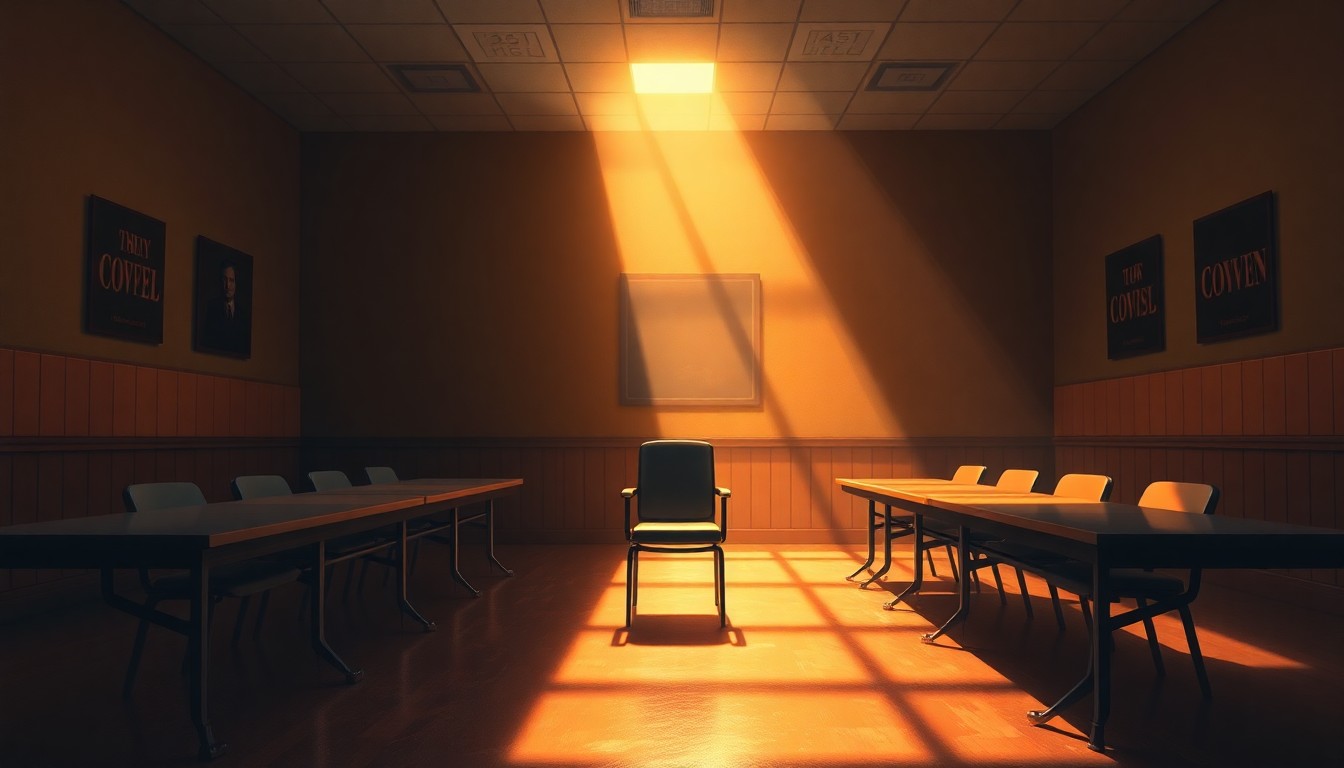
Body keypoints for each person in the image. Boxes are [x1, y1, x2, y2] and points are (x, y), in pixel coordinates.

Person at [199, 258, 250, 356]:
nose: (228, 285)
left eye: (231, 280)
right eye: (224, 280)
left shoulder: (243, 313)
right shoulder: (212, 308)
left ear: (236, 283)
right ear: (219, 281)